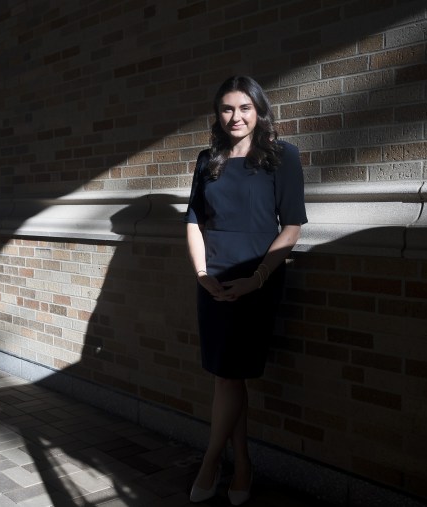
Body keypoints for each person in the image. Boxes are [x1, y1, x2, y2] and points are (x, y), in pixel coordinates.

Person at [184, 75, 308, 505]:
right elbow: (194, 222)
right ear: (217, 114)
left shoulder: (282, 157)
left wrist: (256, 278)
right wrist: (201, 274)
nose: (235, 117)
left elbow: (291, 226)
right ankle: (243, 466)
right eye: (226, 109)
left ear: (258, 110)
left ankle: (210, 461)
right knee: (226, 376)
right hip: (213, 279)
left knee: (230, 375)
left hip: (257, 279)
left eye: (244, 108)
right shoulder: (207, 159)